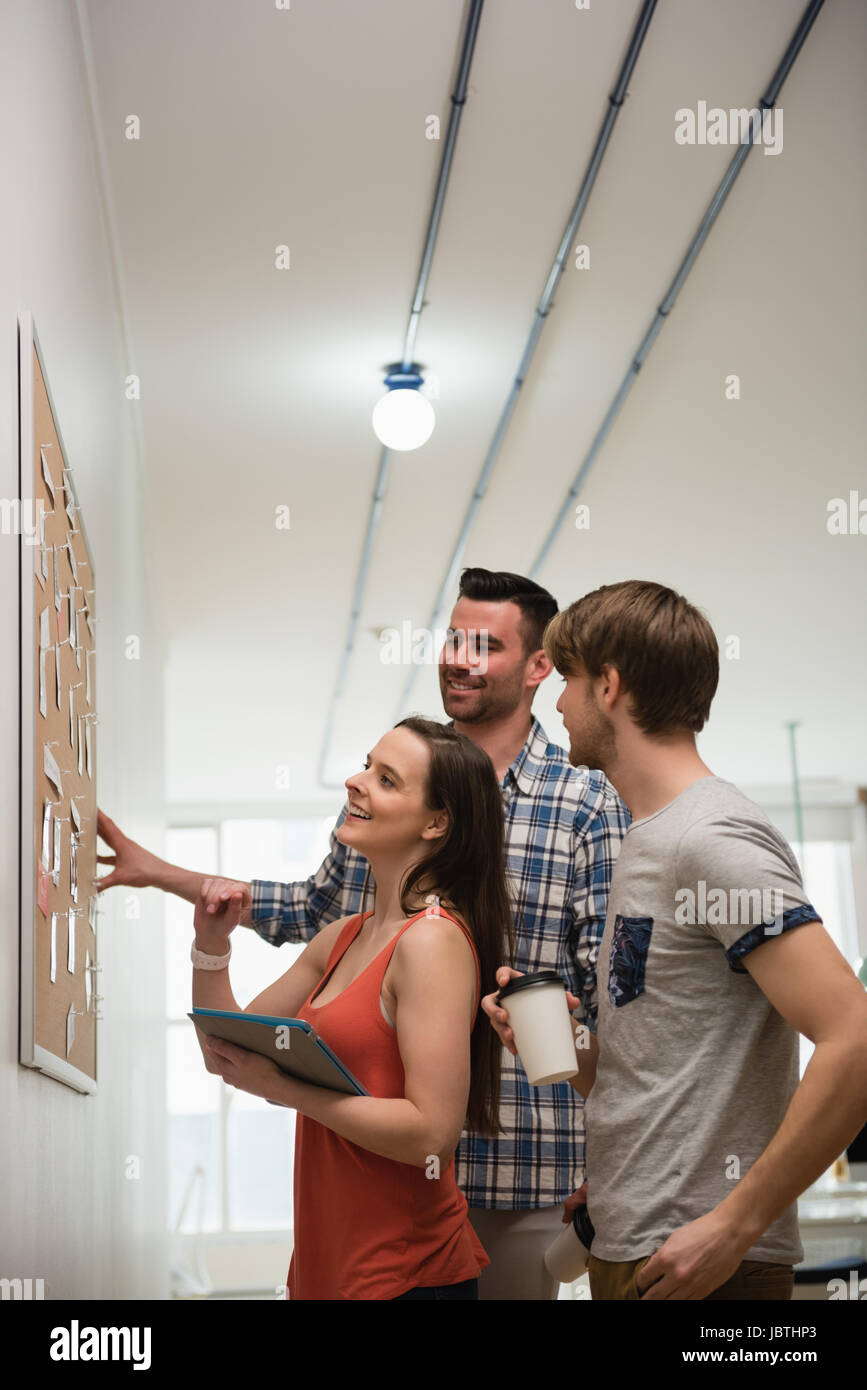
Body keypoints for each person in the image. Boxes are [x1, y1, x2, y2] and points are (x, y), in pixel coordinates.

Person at [97, 567, 630, 1300]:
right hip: (363, 1187)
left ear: (538, 666)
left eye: (485, 644)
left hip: (519, 1167)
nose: (458, 657)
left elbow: (611, 1004)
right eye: (451, 639)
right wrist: (173, 884)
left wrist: (619, 1155)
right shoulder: (363, 884)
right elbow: (301, 912)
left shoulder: (583, 800)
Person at [485, 579, 867, 1300]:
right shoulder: (647, 841)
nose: (556, 701)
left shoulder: (710, 837)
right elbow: (652, 1064)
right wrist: (565, 1048)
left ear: (608, 685)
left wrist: (735, 1224)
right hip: (631, 1243)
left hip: (703, 1262)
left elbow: (855, 1035)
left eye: (564, 679)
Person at [192, 716, 514, 1300]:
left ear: (437, 822)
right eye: (367, 765)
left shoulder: (432, 942)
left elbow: (430, 1135)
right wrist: (211, 948)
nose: (355, 782)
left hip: (405, 1276)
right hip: (327, 1272)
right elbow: (227, 1051)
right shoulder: (341, 937)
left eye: (386, 779)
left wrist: (290, 1092)